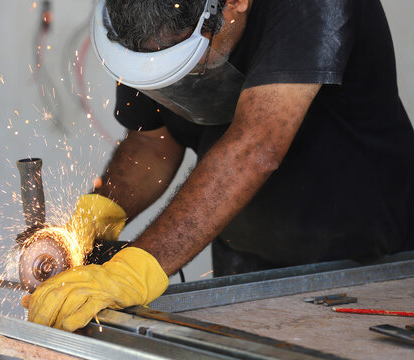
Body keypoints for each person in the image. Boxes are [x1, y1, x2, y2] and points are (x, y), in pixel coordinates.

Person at [23, 0, 414, 331]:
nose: (181, 84)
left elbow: (256, 145)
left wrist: (133, 271)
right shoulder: (147, 19)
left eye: (185, 62)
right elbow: (152, 141)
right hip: (244, 259)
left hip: (368, 258)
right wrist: (92, 220)